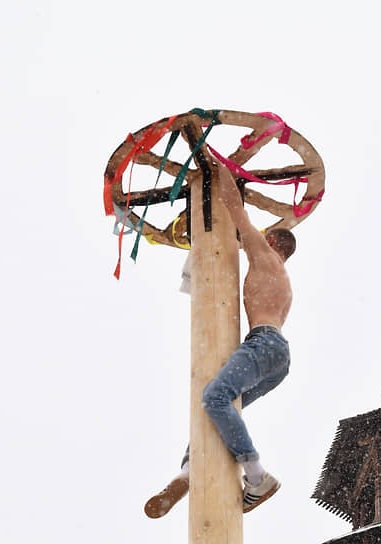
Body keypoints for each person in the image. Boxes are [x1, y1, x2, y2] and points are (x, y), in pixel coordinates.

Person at [144, 164, 296, 518]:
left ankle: (257, 477)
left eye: (264, 234)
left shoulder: (264, 253)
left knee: (213, 397)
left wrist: (218, 168)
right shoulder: (283, 278)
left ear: (273, 240)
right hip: (277, 357)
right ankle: (189, 467)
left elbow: (234, 207)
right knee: (219, 411)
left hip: (263, 344)